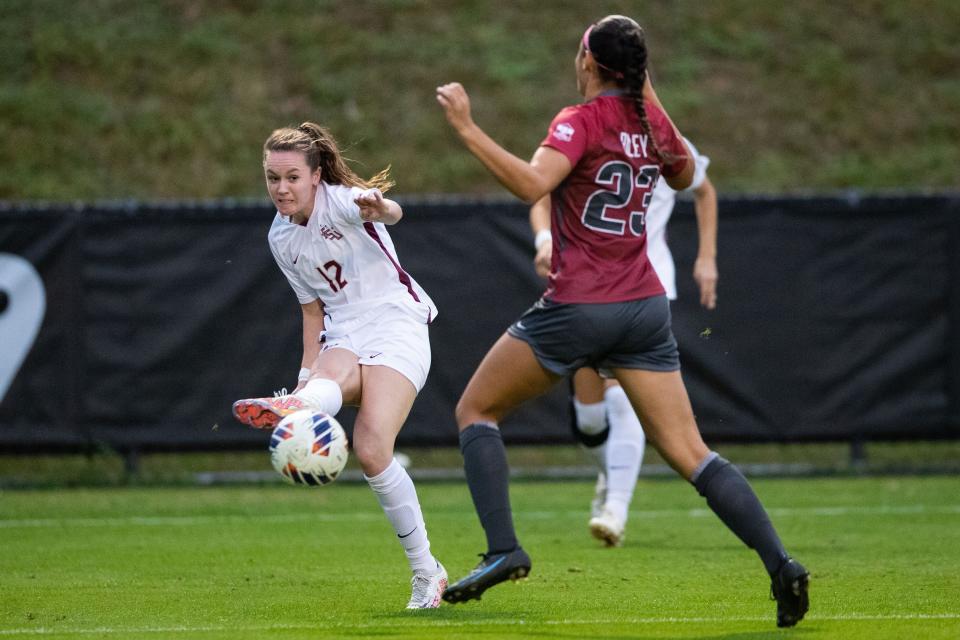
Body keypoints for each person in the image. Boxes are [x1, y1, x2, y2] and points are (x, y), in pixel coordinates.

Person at [435, 15, 808, 627]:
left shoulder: (577, 120)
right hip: (644, 308)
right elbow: (687, 177)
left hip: (581, 304)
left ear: (588, 62)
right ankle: (781, 565)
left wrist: (468, 128)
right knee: (692, 453)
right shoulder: (651, 123)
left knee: (475, 412)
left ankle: (504, 548)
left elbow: (531, 183)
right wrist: (647, 97)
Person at [230, 122, 447, 609]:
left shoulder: (343, 200)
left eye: (291, 177)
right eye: (271, 178)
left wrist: (380, 207)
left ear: (315, 176)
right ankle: (300, 401)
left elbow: (392, 211)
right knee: (325, 381)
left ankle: (424, 572)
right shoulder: (280, 237)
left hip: (396, 320)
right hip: (344, 329)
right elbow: (312, 312)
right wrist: (307, 374)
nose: (281, 188)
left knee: (371, 449)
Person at [528, 137, 718, 547]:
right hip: (585, 288)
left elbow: (704, 190)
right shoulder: (589, 133)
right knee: (590, 419)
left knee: (620, 397)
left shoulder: (666, 139)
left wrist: (706, 257)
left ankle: (615, 507)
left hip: (646, 289)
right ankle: (614, 473)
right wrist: (545, 240)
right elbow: (539, 188)